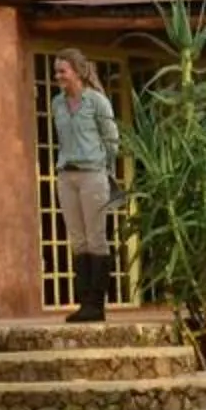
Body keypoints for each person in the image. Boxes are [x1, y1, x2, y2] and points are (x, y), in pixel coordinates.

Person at [51, 49, 121, 324]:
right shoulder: (57, 103)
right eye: (56, 72)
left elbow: (111, 139)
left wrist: (108, 170)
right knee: (77, 240)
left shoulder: (97, 102)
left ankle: (97, 304)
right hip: (66, 175)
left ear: (78, 72)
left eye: (62, 71)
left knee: (96, 237)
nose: (58, 76)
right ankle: (84, 304)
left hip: (93, 173)